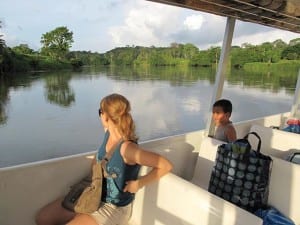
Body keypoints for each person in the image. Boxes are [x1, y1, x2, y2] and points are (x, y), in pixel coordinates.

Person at [35, 93, 173, 225]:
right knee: (43, 218)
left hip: (112, 208)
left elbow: (165, 165)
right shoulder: (107, 133)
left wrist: (138, 184)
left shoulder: (128, 149)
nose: (99, 115)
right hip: (93, 194)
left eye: (100, 112)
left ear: (106, 117)